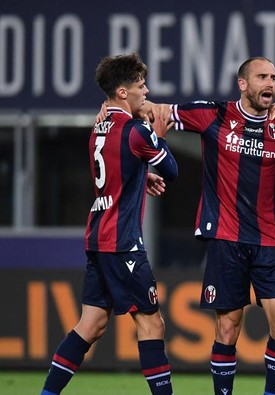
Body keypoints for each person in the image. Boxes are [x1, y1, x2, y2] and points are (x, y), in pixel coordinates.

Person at [158, 56, 275, 395]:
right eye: (262, 77)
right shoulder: (215, 114)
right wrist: (113, 109)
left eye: (274, 77)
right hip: (226, 237)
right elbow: (159, 112)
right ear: (243, 84)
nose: (270, 83)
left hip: (269, 239)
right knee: (228, 326)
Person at [40, 52, 178, 395]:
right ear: (121, 92)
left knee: (92, 323)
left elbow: (112, 171)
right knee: (151, 323)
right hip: (123, 242)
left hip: (96, 236)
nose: (146, 92)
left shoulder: (98, 127)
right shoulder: (135, 131)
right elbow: (172, 171)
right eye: (140, 85)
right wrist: (157, 133)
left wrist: (139, 175)